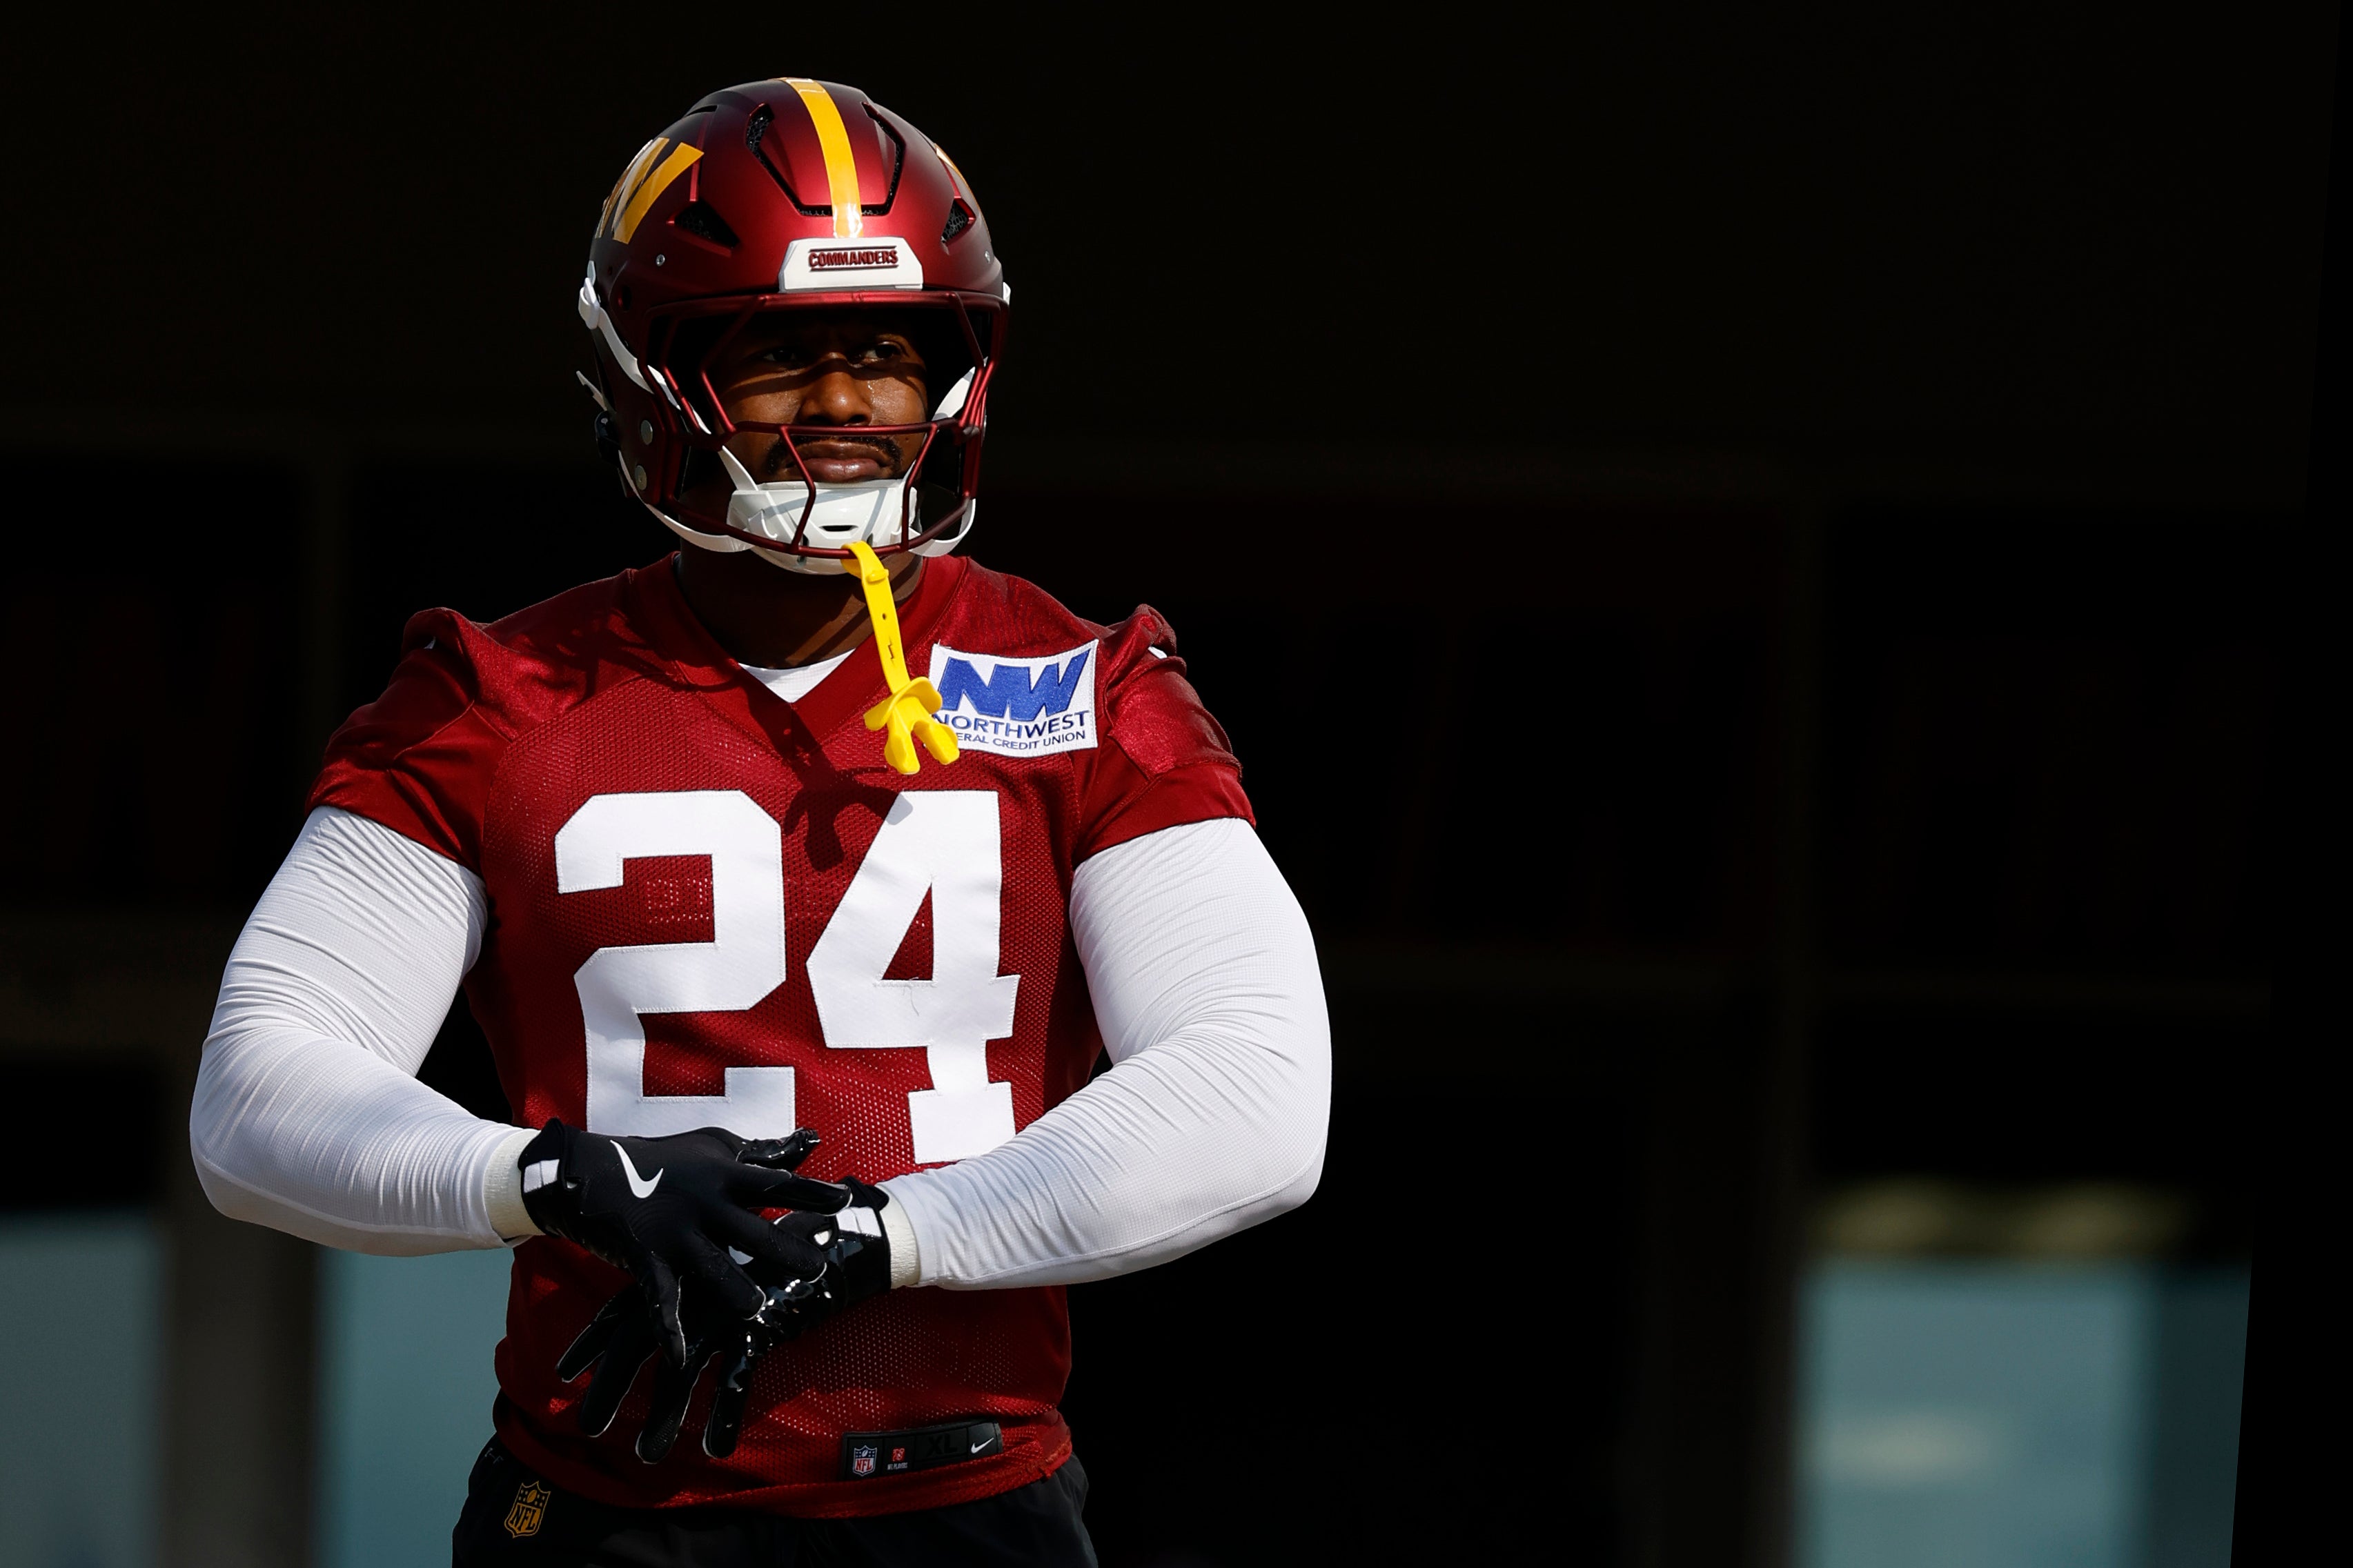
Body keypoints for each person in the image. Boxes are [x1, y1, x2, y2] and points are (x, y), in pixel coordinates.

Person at [188, 77, 1330, 1566]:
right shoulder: (496, 694)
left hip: (964, 1506)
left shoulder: (1086, 685)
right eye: (783, 355)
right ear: (650, 377)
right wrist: (553, 1181)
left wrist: (889, 1239)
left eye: (888, 355)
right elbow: (257, 1099)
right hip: (612, 1514)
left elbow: (1256, 1091)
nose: (850, 405)